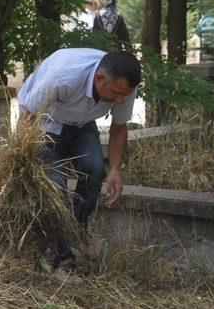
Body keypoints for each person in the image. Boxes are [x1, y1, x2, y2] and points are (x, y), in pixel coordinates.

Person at [17, 49, 141, 277]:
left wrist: (114, 169)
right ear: (99, 79)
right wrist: (22, 158)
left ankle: (74, 232)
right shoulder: (62, 75)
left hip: (82, 122)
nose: (120, 100)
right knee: (55, 186)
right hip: (46, 121)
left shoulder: (124, 86)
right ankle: (60, 258)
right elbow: (28, 115)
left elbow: (119, 126)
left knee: (94, 171)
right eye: (116, 94)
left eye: (124, 95)